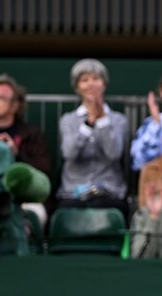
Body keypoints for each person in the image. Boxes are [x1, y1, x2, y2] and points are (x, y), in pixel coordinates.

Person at [55, 58, 129, 217]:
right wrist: (88, 124)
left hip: (110, 192)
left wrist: (102, 121)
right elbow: (69, 153)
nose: (91, 84)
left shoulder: (118, 120)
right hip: (72, 193)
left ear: (104, 84)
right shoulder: (68, 120)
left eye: (96, 79)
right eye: (84, 80)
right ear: (77, 87)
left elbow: (114, 153)